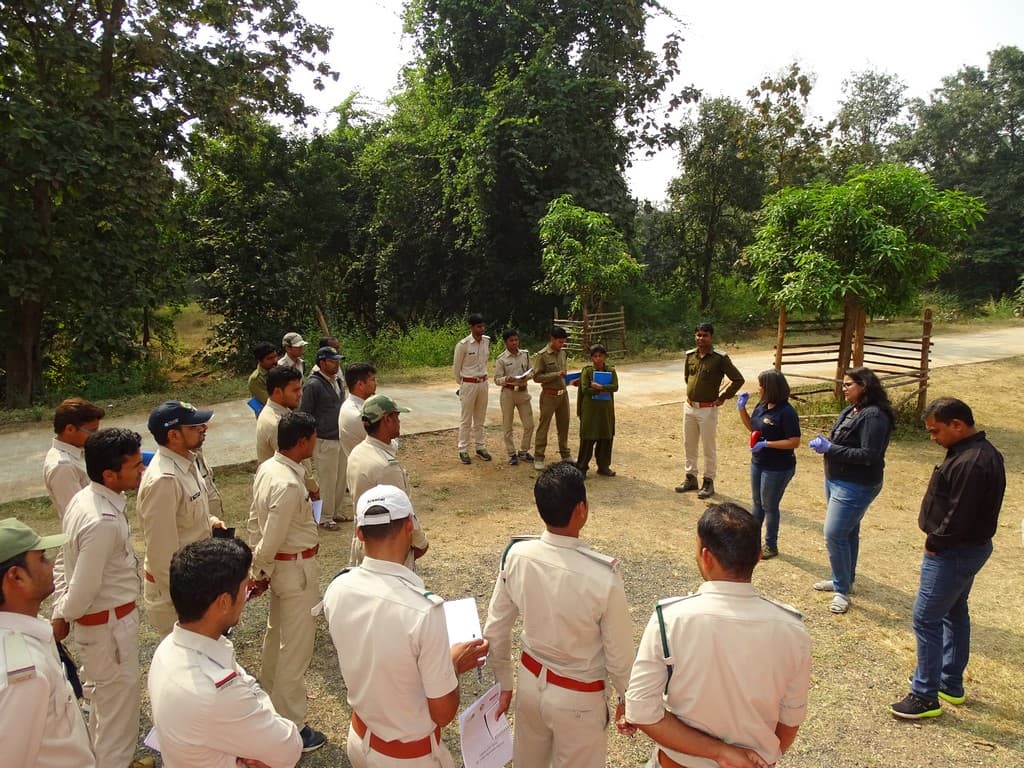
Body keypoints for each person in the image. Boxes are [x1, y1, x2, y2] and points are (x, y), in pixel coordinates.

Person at [624, 503, 811, 768]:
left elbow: (641, 711)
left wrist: (719, 752)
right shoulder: (793, 630)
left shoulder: (670, 619)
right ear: (758, 557)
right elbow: (790, 722)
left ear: (706, 556)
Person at [322, 485, 488, 768]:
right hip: (408, 757)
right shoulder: (423, 611)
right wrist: (452, 665)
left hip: (361, 738)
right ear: (409, 525)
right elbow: (443, 713)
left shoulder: (338, 588)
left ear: (359, 533)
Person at [483, 462, 633, 767]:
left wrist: (504, 682)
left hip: (530, 682)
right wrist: (626, 697)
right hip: (579, 696)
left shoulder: (518, 555)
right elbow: (619, 655)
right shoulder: (602, 576)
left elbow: (496, 628)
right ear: (581, 510)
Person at [890, 397, 1005, 720]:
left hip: (954, 552)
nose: (933, 438)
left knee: (926, 619)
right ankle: (950, 682)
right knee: (954, 612)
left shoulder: (973, 461)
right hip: (965, 550)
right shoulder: (971, 453)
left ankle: (925, 695)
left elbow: (958, 514)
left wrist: (935, 543)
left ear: (958, 425)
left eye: (935, 431)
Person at [148, 537, 302, 766]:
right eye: (244, 588)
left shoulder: (169, 648)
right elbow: (289, 746)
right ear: (223, 602)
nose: (246, 597)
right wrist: (253, 700)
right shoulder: (216, 692)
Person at [52, 428, 146, 768]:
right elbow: (84, 587)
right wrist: (62, 615)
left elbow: (64, 560)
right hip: (109, 628)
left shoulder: (84, 499)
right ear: (109, 473)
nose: (142, 470)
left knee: (102, 708)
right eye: (135, 466)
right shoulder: (101, 520)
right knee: (118, 716)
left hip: (101, 627)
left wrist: (62, 612)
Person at [247, 411, 327, 753]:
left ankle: (269, 703)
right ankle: (292, 725)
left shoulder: (271, 469)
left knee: (276, 636)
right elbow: (272, 537)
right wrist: (258, 570)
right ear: (301, 442)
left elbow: (255, 521)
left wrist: (260, 568)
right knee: (295, 649)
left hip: (283, 569)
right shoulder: (288, 484)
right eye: (313, 437)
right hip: (295, 570)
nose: (316, 442)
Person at [0, 518, 95, 767]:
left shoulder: (23, 630)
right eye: (42, 558)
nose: (51, 564)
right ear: (16, 577)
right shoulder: (23, 675)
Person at [809, 366, 895, 614]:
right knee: (848, 533)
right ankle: (844, 579)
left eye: (848, 385)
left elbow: (869, 454)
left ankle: (842, 591)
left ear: (864, 386)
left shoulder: (874, 416)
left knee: (834, 534)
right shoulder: (851, 410)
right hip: (836, 479)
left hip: (856, 484)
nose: (844, 388)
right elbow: (843, 440)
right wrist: (827, 442)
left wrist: (830, 449)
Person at [137, 401, 225, 635]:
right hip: (176, 595)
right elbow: (161, 554)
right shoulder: (164, 480)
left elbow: (189, 516)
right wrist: (188, 601)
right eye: (194, 426)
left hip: (196, 580)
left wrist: (211, 522)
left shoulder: (187, 461)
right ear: (173, 435)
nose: (203, 428)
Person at [346, 394, 428, 567]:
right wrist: (420, 543)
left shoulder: (358, 452)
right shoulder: (385, 466)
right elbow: (403, 510)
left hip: (366, 541)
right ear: (387, 420)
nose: (399, 422)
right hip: (388, 550)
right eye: (396, 417)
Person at [675, 323, 745, 500]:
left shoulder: (720, 358)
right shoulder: (690, 356)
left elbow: (737, 379)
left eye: (704, 335)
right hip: (690, 406)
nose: (701, 338)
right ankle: (690, 478)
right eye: (698, 335)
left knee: (708, 446)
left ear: (711, 337)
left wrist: (723, 396)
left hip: (707, 409)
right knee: (688, 444)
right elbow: (687, 378)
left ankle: (708, 481)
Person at [736, 370, 801, 559]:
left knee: (769, 506)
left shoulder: (786, 412)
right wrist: (742, 409)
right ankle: (752, 542)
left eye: (761, 385)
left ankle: (770, 545)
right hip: (758, 462)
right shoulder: (762, 405)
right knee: (757, 504)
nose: (758, 388)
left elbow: (794, 441)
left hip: (778, 468)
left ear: (770, 387)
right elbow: (753, 428)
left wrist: (767, 444)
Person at [299, 346, 348, 525]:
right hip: (324, 439)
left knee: (341, 478)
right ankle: (324, 517)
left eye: (337, 361)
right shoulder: (313, 385)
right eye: (332, 361)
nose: (336, 364)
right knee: (327, 480)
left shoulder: (338, 381)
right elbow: (306, 412)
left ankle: (335, 511)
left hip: (339, 437)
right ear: (322, 362)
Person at [257, 365, 319, 499]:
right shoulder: (275, 422)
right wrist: (313, 487)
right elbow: (294, 459)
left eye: (300, 388)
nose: (300, 394)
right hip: (286, 491)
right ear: (278, 392)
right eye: (295, 390)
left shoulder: (283, 411)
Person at [44, 397, 106, 521]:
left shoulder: (79, 451)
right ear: (70, 429)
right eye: (92, 431)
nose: (96, 435)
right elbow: (77, 514)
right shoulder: (63, 467)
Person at [452, 312, 492, 464]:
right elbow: (456, 367)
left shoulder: (486, 341)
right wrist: (462, 383)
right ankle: (463, 449)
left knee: (480, 418)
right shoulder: (463, 344)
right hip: (468, 383)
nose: (482, 329)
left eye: (483, 326)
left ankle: (480, 447)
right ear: (471, 327)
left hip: (483, 382)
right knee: (466, 418)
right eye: (478, 326)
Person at [575, 343, 619, 478]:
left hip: (605, 410)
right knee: (588, 438)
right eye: (595, 356)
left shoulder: (611, 371)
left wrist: (600, 387)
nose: (598, 359)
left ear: (605, 357)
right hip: (590, 410)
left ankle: (604, 466)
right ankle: (582, 467)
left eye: (601, 356)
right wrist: (599, 389)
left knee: (606, 437)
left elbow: (615, 387)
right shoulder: (587, 371)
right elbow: (585, 389)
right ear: (591, 358)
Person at [532, 326, 572, 471]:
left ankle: (565, 454)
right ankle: (539, 456)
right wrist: (555, 375)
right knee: (544, 426)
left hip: (563, 394)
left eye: (563, 342)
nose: (562, 345)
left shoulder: (563, 354)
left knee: (564, 425)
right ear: (552, 340)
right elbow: (536, 377)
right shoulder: (543, 355)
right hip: (549, 395)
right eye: (560, 342)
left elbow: (563, 373)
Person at [494, 328, 535, 466]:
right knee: (508, 425)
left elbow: (531, 371)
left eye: (516, 340)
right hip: (508, 393)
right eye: (511, 341)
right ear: (505, 342)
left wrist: (527, 375)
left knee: (529, 424)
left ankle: (523, 451)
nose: (514, 343)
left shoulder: (525, 354)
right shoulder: (501, 359)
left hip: (523, 392)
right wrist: (507, 378)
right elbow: (496, 379)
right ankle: (511, 453)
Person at [338, 362, 377, 458]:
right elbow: (384, 442)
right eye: (372, 380)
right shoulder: (358, 414)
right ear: (360, 384)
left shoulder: (350, 405)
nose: (376, 383)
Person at [248, 342, 279, 407]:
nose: (275, 360)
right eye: (270, 358)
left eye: (275, 356)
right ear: (259, 361)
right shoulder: (256, 379)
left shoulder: (279, 369)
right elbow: (270, 402)